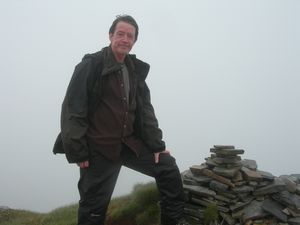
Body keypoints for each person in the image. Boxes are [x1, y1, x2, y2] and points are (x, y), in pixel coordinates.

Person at [53, 15, 189, 225]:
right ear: (110, 35)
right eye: (120, 34)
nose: (125, 39)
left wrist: (157, 146)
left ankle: (173, 221)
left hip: (128, 144)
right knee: (93, 210)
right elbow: (73, 110)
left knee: (167, 167)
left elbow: (145, 112)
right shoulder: (91, 65)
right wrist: (78, 151)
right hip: (99, 149)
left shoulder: (133, 70)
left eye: (130, 36)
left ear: (134, 41)